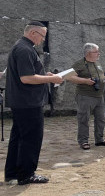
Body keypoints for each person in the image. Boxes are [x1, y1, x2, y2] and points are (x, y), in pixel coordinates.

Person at [4, 21, 63, 185]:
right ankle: (27, 174)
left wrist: (45, 74)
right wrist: (51, 78)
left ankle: (12, 173)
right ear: (33, 33)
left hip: (22, 101)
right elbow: (27, 78)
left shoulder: (22, 47)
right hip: (28, 102)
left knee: (18, 137)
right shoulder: (24, 49)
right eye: (42, 36)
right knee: (31, 138)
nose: (43, 40)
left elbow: (31, 72)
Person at [68, 43, 105, 150]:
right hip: (85, 95)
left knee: (101, 118)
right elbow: (70, 77)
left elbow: (99, 77)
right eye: (96, 52)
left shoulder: (97, 64)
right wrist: (85, 81)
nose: (99, 54)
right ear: (88, 53)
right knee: (84, 118)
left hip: (99, 96)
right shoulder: (79, 64)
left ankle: (99, 140)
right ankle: (83, 141)